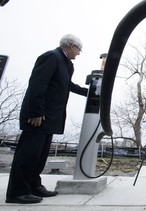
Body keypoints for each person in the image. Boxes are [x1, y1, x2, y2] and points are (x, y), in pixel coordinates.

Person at [6, 34, 88, 204]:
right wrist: (35, 112)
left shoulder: (65, 64)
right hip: (39, 117)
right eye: (79, 50)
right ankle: (17, 192)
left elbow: (67, 85)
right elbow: (37, 84)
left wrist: (90, 92)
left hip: (50, 118)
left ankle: (34, 186)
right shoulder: (51, 57)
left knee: (40, 156)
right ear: (72, 46)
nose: (79, 53)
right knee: (28, 155)